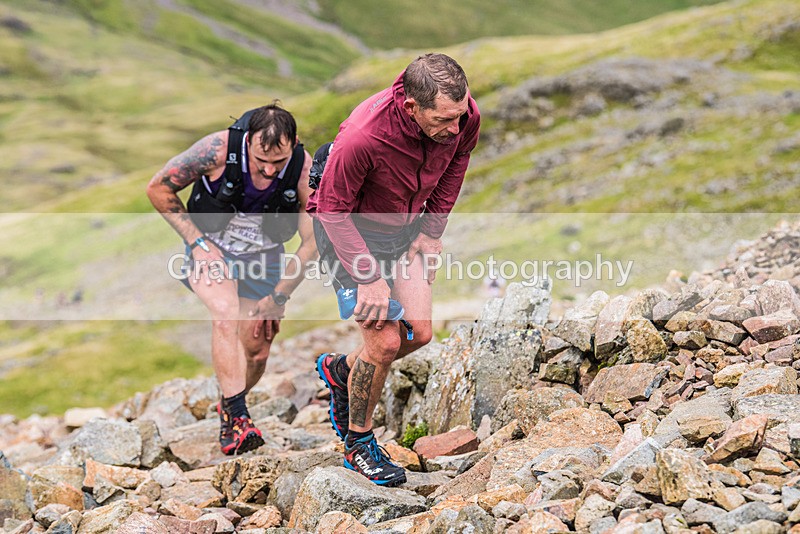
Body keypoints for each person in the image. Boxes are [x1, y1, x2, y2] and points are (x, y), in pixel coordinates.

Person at [309, 53, 481, 486]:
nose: (455, 129)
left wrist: (432, 229)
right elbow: (331, 209)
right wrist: (368, 277)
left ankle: (342, 370)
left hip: (406, 229)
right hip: (350, 233)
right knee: (385, 342)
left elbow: (457, 161)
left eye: (460, 116)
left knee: (419, 333)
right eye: (444, 119)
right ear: (411, 107)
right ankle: (359, 444)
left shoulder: (462, 114)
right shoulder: (363, 138)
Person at [146, 103, 317, 455]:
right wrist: (197, 242)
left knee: (256, 351)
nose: (270, 170)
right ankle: (237, 418)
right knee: (225, 313)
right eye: (260, 161)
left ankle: (231, 402)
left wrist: (280, 297)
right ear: (247, 141)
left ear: (294, 143)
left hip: (264, 258)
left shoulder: (303, 167)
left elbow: (312, 240)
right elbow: (158, 189)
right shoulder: (217, 150)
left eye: (278, 162)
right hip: (212, 249)